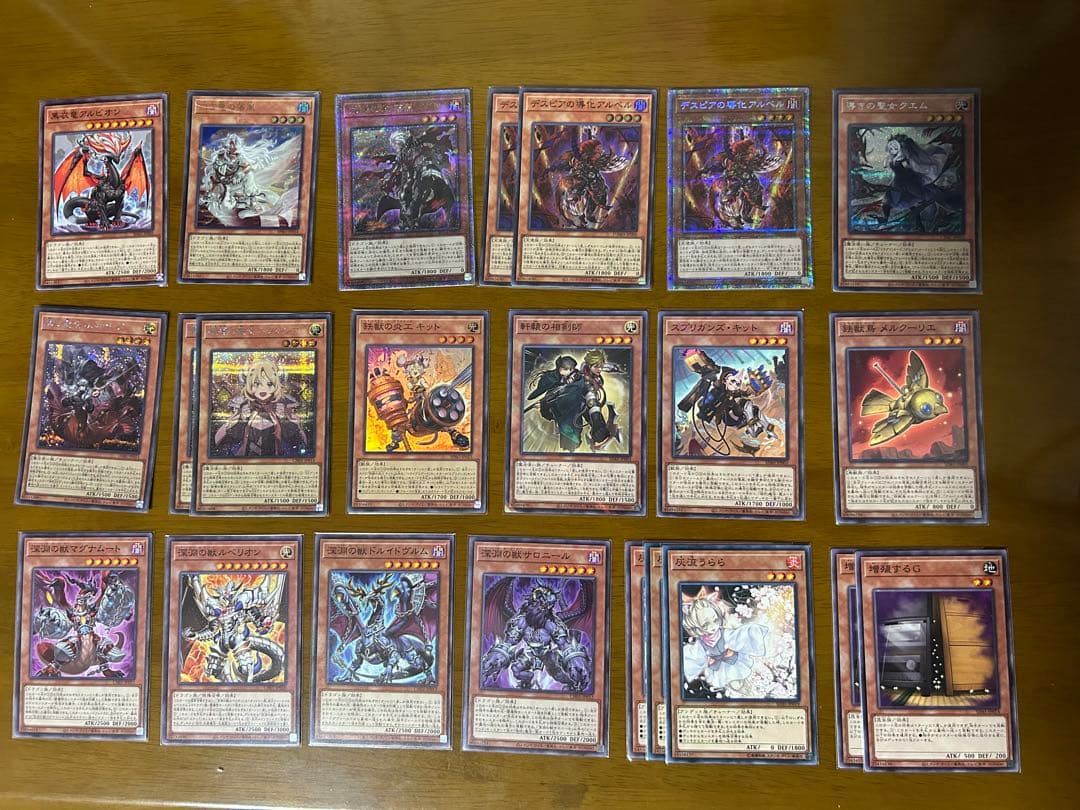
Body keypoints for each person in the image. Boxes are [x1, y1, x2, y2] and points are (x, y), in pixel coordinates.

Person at [213, 358, 307, 457]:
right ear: (249, 384)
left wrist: (285, 420)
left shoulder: (284, 406)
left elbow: (302, 442)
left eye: (269, 384)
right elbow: (218, 440)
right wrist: (240, 419)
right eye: (256, 384)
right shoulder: (242, 406)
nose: (262, 389)